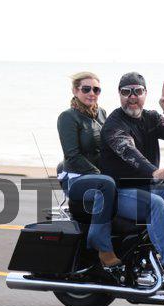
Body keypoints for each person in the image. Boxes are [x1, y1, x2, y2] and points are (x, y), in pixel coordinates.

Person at [100, 72, 164, 291]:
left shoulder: (151, 117)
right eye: (126, 92)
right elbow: (128, 150)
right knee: (155, 204)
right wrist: (153, 171)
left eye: (137, 91)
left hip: (147, 186)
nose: (132, 96)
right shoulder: (114, 124)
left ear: (145, 93)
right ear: (119, 94)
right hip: (119, 192)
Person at [57, 71, 121, 268]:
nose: (91, 93)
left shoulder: (102, 113)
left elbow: (110, 146)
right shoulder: (68, 117)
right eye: (86, 89)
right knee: (107, 185)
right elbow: (72, 156)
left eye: (96, 89)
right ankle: (102, 246)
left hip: (99, 176)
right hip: (76, 177)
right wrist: (101, 175)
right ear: (75, 91)